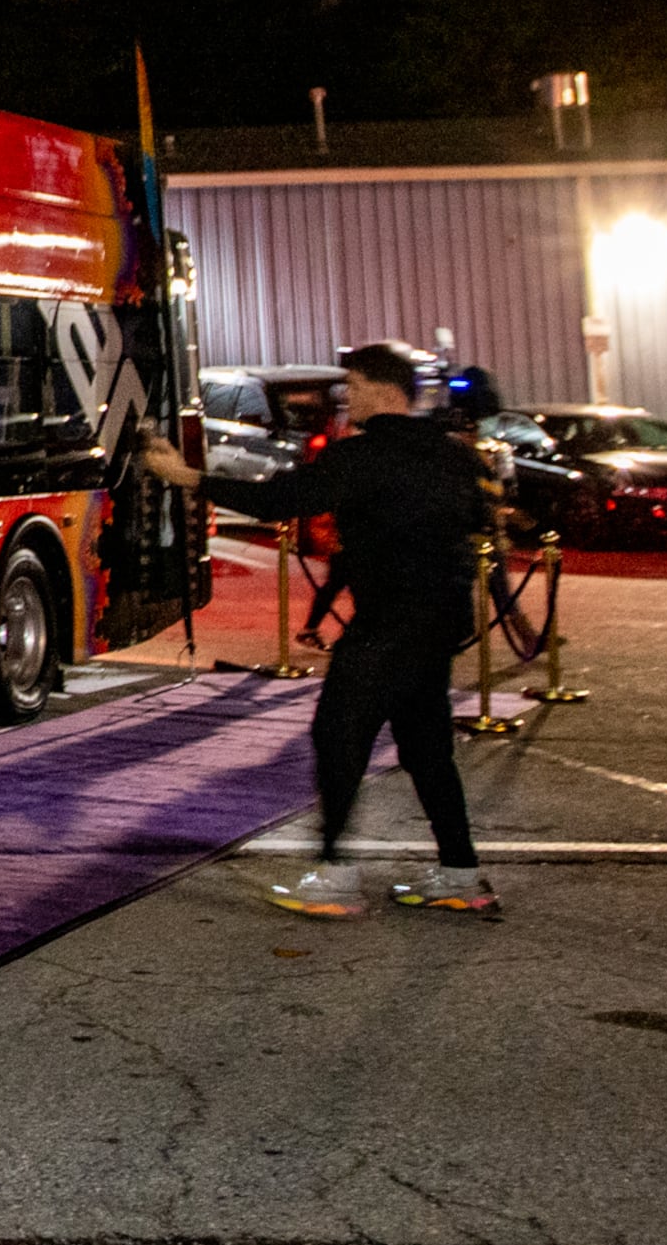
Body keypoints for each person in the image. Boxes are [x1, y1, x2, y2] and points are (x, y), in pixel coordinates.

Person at [141, 341, 498, 918]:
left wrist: (186, 476)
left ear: (381, 389)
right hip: (441, 621)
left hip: (387, 624)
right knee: (426, 746)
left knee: (338, 734)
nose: (346, 399)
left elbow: (278, 500)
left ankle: (335, 877)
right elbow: (479, 522)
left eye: (352, 387)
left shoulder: (361, 455)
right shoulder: (453, 454)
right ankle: (460, 871)